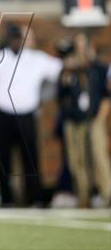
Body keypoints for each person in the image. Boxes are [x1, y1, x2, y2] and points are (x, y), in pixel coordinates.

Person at [0, 24, 63, 206]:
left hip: (27, 115)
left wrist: (45, 97)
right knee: (5, 160)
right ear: (8, 40)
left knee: (31, 158)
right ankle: (7, 198)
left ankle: (34, 198)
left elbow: (59, 70)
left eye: (19, 38)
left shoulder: (36, 58)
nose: (17, 42)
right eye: (13, 38)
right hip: (2, 114)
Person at [58, 32, 110, 207]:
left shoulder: (98, 68)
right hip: (74, 119)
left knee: (98, 155)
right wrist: (66, 74)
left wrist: (100, 118)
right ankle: (83, 195)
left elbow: (106, 96)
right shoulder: (67, 69)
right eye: (77, 45)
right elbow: (60, 97)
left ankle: (106, 193)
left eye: (83, 45)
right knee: (76, 159)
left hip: (94, 117)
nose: (80, 50)